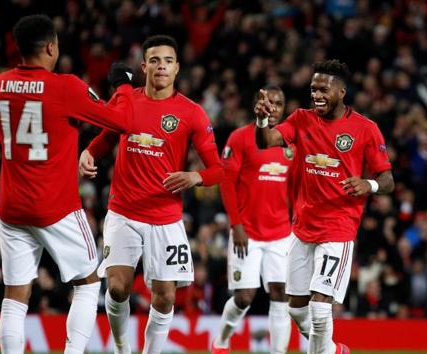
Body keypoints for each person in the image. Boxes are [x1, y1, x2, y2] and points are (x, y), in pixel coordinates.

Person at [0, 14, 135, 354]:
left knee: (15, 294)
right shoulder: (64, 87)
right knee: (87, 283)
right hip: (56, 207)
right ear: (51, 47)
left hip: (11, 207)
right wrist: (123, 86)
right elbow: (122, 120)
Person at [78, 34, 223, 354]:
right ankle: (121, 346)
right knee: (117, 288)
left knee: (167, 296)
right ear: (144, 67)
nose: (161, 66)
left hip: (166, 218)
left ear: (177, 68)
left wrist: (195, 176)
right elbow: (107, 135)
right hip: (123, 212)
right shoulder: (129, 102)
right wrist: (89, 152)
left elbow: (219, 168)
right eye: (155, 60)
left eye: (168, 61)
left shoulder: (192, 113)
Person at [255, 59, 394, 354]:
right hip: (303, 227)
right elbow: (267, 140)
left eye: (323, 89)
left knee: (320, 308)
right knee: (296, 309)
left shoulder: (365, 129)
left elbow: (388, 179)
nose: (316, 94)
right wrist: (262, 121)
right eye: (313, 89)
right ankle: (331, 350)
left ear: (341, 92)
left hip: (339, 228)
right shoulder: (301, 118)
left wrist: (368, 184)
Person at [212, 85, 298, 354]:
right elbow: (226, 183)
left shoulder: (292, 144)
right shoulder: (240, 138)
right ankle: (221, 340)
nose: (273, 107)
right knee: (243, 298)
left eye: (278, 103)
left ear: (285, 108)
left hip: (281, 234)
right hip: (247, 232)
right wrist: (236, 225)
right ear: (257, 106)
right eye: (268, 102)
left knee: (281, 294)